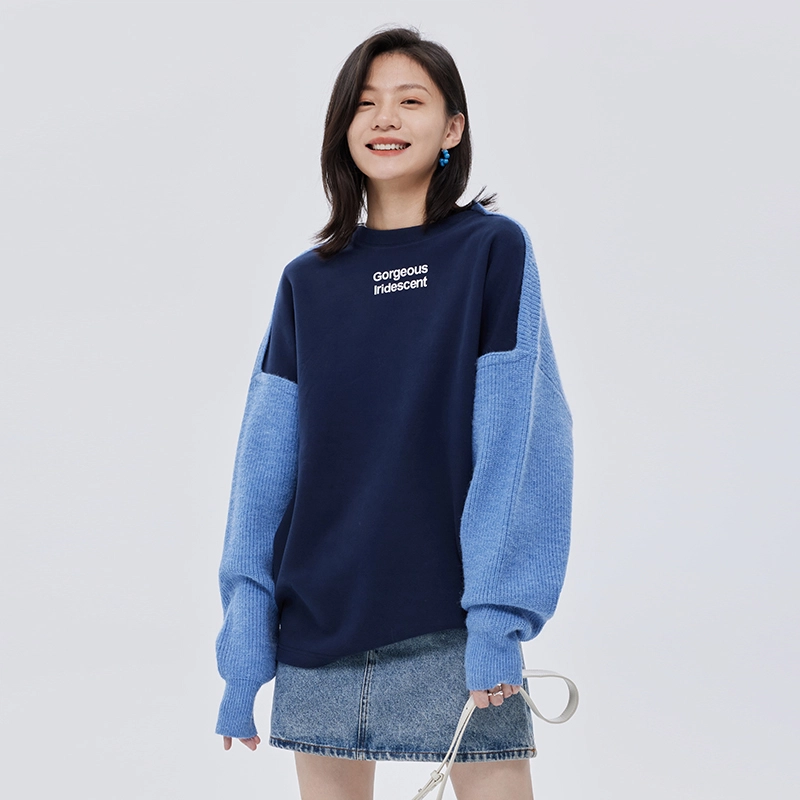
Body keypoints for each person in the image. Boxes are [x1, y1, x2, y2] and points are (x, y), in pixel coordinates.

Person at [214, 25, 573, 800]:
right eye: (365, 103)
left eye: (411, 101)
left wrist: (497, 621)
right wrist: (245, 645)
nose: (385, 118)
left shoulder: (492, 252)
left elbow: (520, 444)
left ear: (452, 128)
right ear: (342, 128)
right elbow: (263, 473)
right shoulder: (307, 283)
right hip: (318, 630)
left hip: (455, 625)